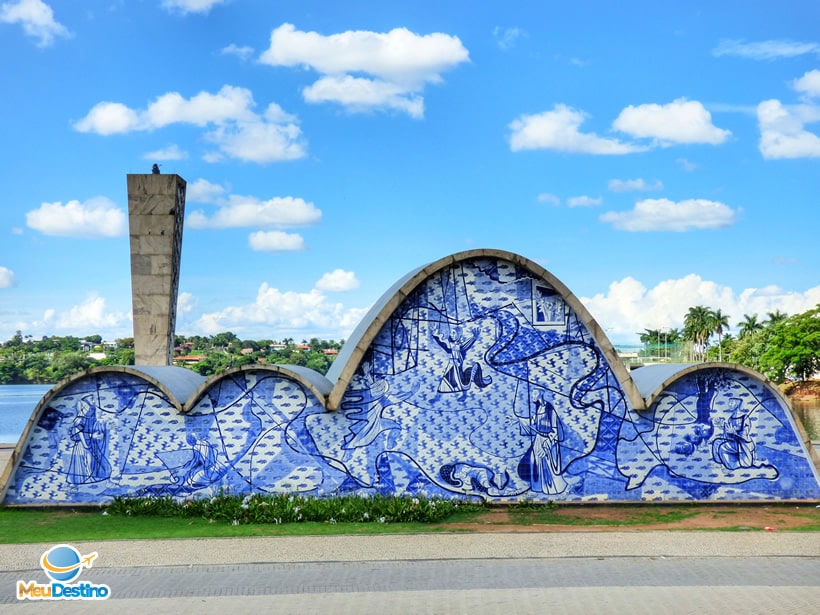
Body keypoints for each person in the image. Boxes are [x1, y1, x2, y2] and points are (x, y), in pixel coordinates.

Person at [518, 389, 567, 495]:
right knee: (534, 461)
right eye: (532, 393)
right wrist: (518, 419)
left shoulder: (550, 410)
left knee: (547, 464)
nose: (532, 396)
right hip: (538, 439)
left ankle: (552, 488)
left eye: (534, 393)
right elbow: (533, 420)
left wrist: (548, 444)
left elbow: (555, 430)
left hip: (547, 441)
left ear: (541, 394)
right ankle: (537, 488)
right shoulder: (539, 408)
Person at [432, 325, 492, 395]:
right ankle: (438, 397)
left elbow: (465, 346)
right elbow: (443, 344)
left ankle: (464, 395)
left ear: (459, 334)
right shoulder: (451, 345)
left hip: (457, 367)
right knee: (447, 382)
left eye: (454, 333)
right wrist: (435, 334)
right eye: (451, 333)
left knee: (460, 382)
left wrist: (474, 338)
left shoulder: (460, 347)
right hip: (451, 367)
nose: (452, 335)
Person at [66, 398, 111, 484]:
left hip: (90, 444)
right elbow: (78, 432)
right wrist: (91, 436)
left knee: (96, 461)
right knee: (87, 462)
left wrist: (105, 426)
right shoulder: (80, 419)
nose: (93, 401)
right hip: (82, 446)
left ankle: (96, 478)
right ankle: (89, 479)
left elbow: (94, 426)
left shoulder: (90, 416)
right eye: (91, 399)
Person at [711, 399, 757, 470]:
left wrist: (734, 432)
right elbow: (728, 434)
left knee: (722, 447)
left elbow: (745, 434)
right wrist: (723, 426)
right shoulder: (731, 418)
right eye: (729, 403)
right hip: (734, 441)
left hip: (742, 444)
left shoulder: (745, 418)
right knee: (716, 442)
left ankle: (732, 466)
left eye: (731, 403)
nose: (729, 404)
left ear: (737, 404)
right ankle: (721, 463)